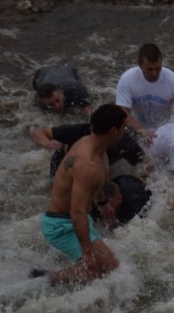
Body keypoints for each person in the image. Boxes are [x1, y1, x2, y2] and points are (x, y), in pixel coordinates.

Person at [34, 104, 127, 284]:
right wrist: (87, 253)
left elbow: (93, 185)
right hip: (62, 225)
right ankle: (42, 281)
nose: (125, 132)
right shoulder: (88, 165)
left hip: (77, 219)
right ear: (114, 130)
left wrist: (103, 203)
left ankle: (48, 277)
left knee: (106, 269)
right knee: (109, 269)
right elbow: (76, 212)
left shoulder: (93, 145)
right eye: (124, 128)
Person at [115, 43, 174, 143]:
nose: (154, 73)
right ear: (139, 64)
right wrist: (141, 131)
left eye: (158, 68)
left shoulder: (173, 81)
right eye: (150, 69)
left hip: (164, 130)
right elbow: (122, 113)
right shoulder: (127, 79)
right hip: (136, 128)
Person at [29, 122, 146, 179]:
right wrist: (46, 143)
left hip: (111, 164)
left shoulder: (122, 140)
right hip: (65, 160)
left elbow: (146, 165)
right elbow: (36, 131)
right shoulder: (78, 131)